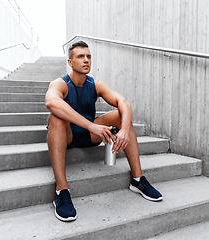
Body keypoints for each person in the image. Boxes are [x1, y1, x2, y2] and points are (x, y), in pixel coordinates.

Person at [45, 41, 162, 222]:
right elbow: (51, 102)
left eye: (89, 56)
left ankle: (138, 180)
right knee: (56, 117)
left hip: (90, 136)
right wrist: (91, 125)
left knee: (121, 114)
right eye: (80, 57)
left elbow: (123, 102)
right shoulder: (60, 84)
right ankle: (62, 191)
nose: (86, 60)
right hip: (66, 136)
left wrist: (123, 130)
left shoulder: (96, 84)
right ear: (70, 62)